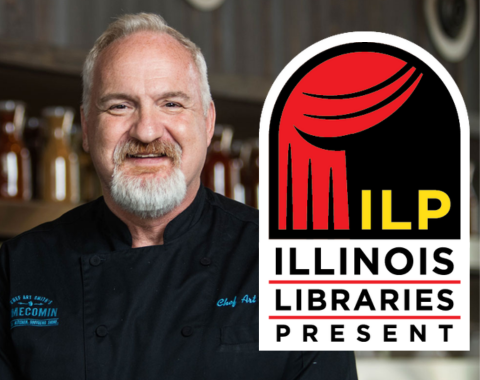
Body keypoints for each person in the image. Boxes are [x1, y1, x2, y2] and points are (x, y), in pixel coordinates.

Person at [0, 13, 357, 379]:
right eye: (120, 105)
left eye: (171, 103)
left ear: (207, 122)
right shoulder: (17, 270)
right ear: (88, 129)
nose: (147, 130)